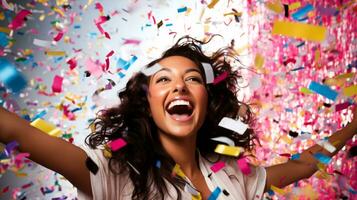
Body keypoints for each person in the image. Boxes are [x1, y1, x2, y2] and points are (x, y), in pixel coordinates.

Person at [0, 36, 356, 200]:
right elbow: (19, 132)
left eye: (193, 79)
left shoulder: (235, 177)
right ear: (148, 103)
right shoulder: (112, 172)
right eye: (164, 79)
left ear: (208, 101)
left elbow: (308, 162)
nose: (180, 87)